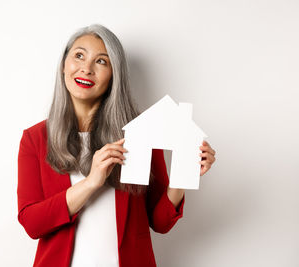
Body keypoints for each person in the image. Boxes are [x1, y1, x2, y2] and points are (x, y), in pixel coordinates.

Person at [17, 24, 216, 267]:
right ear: (63, 65)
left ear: (114, 74)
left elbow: (161, 223)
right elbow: (32, 223)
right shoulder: (35, 138)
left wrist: (184, 176)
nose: (86, 69)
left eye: (101, 61)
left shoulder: (140, 132)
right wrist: (91, 182)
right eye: (79, 55)